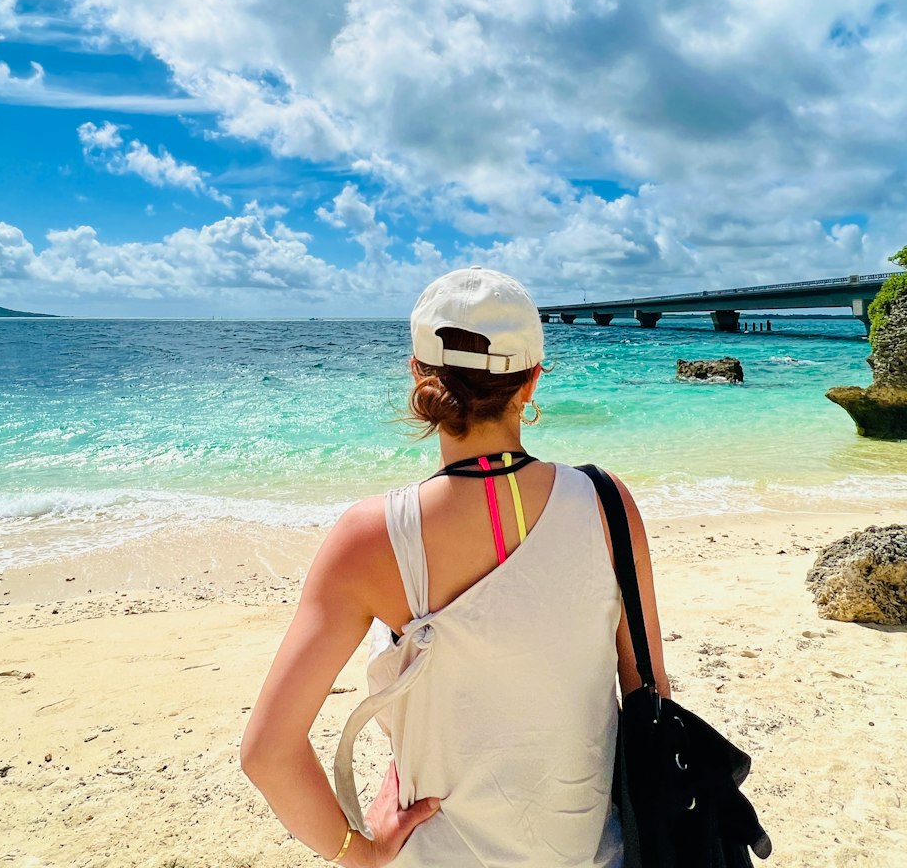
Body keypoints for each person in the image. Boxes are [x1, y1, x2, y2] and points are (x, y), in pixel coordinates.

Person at [242, 266, 670, 866]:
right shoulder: (607, 503)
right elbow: (649, 693)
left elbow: (267, 753)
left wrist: (359, 852)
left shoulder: (373, 537)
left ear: (419, 375)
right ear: (532, 381)